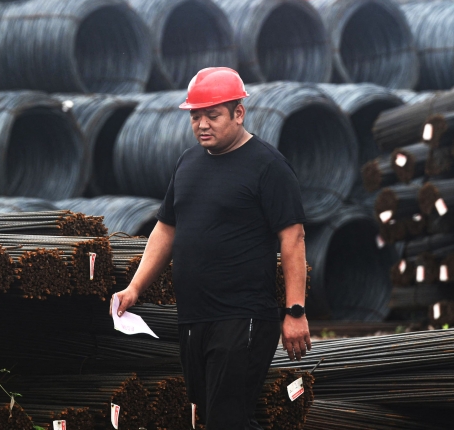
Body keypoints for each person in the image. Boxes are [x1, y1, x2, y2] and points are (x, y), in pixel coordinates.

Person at [111, 66, 310, 429]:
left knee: (226, 419)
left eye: (212, 115)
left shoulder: (268, 166)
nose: (202, 124)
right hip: (193, 317)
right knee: (210, 416)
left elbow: (292, 238)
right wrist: (135, 287)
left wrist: (295, 310)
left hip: (241, 316)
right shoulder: (188, 164)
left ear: (238, 113)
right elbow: (165, 230)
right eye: (195, 115)